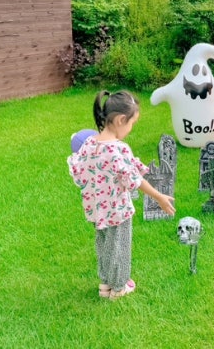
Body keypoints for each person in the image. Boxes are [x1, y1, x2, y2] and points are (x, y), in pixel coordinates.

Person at [68, 90, 175, 300]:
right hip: (118, 211)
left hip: (98, 211)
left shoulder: (89, 144)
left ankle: (105, 284)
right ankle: (119, 288)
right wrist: (159, 197)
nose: (131, 128)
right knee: (119, 248)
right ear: (120, 120)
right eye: (132, 123)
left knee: (104, 245)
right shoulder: (118, 150)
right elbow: (135, 180)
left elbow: (81, 174)